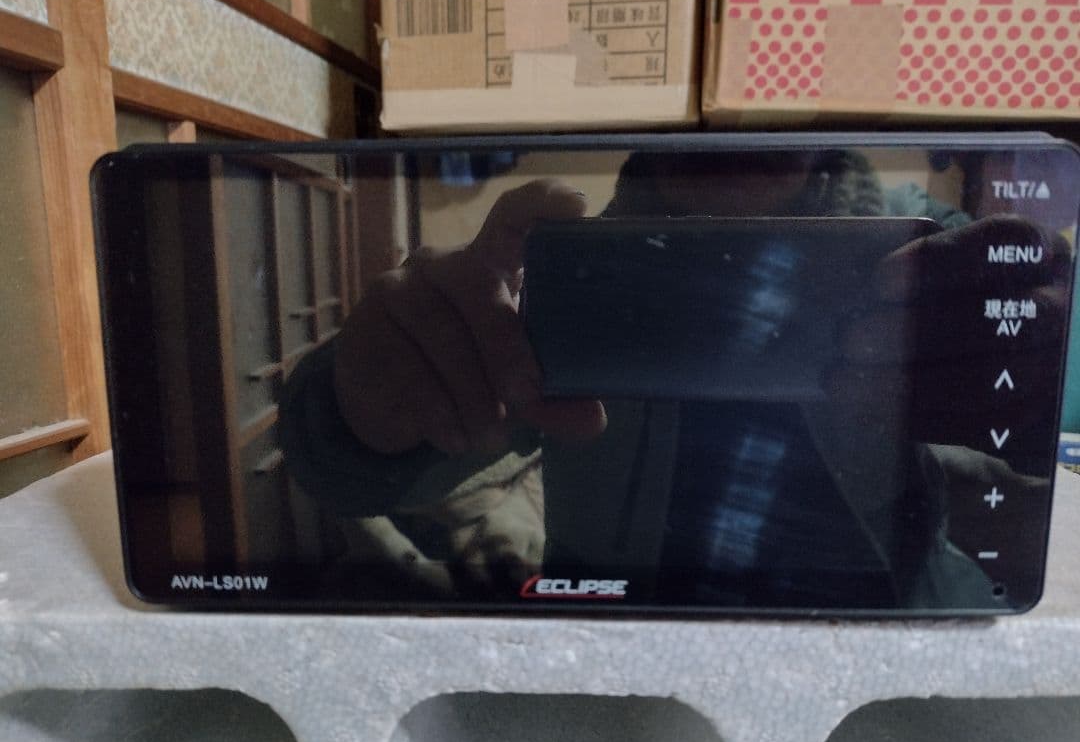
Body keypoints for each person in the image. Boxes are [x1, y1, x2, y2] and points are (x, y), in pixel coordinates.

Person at [281, 149, 1064, 608]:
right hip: (616, 633)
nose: (739, 142)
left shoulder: (937, 248)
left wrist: (1041, 383)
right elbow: (341, 472)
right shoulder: (563, 272)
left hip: (898, 614)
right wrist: (348, 411)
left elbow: (1040, 415)